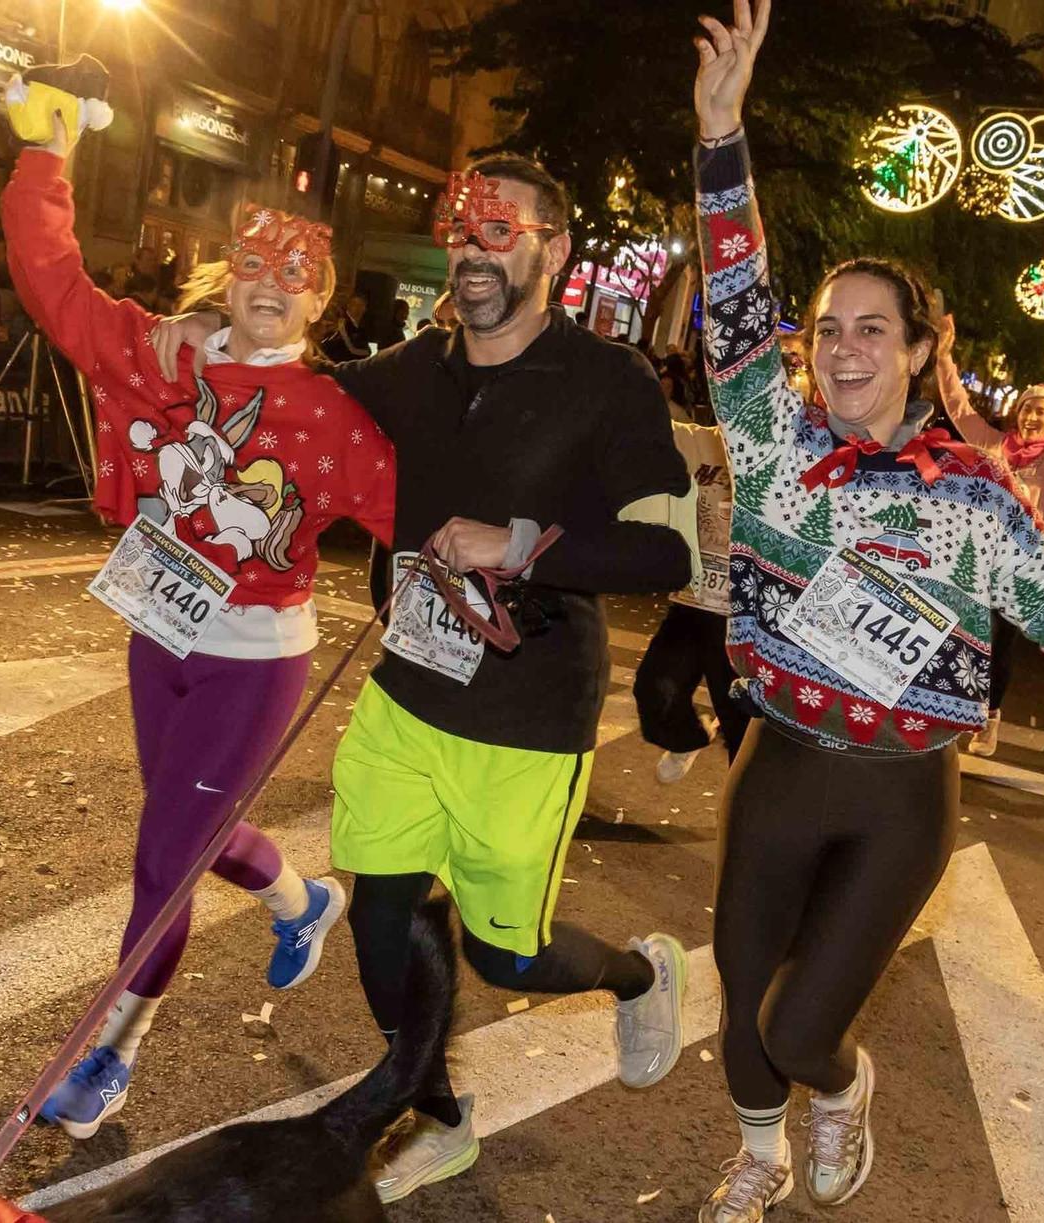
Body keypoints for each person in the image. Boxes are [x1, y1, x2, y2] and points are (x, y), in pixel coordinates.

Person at [688, 4, 1044, 1218]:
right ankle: (755, 1154)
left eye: (870, 331)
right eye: (826, 331)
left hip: (900, 793)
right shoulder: (773, 439)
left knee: (800, 1030)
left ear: (913, 352)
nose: (841, 351)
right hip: (778, 763)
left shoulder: (975, 499)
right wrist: (719, 136)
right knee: (740, 1010)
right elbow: (734, 306)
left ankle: (839, 1089)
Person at [157, 153, 699, 1205]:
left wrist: (523, 542)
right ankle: (439, 1111)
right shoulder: (410, 369)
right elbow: (285, 395)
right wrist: (205, 335)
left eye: (499, 228)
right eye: (459, 227)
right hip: (405, 693)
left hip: (525, 717)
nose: (470, 247)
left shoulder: (608, 385)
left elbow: (666, 553)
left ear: (555, 247)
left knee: (509, 957)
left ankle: (642, 972)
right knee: (377, 932)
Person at [1, 112, 396, 1141]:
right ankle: (302, 898)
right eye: (255, 263)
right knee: (195, 837)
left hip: (252, 663)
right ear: (228, 272)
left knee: (162, 859)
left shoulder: (329, 413)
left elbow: (421, 507)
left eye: (297, 274)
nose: (272, 285)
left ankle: (107, 1054)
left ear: (322, 295)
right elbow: (51, 283)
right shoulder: (160, 355)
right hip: (155, 634)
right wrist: (48, 156)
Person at [936, 327, 1044, 755]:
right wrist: (942, 356)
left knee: (998, 642)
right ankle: (954, 708)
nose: (1033, 417)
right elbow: (958, 406)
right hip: (977, 558)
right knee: (962, 635)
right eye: (1028, 409)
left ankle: (988, 717)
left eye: (1043, 412)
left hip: (1022, 564)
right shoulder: (994, 445)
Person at [633, 417, 749, 782]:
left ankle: (742, 820)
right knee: (654, 691)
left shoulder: (782, 455)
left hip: (743, 618)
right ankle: (688, 739)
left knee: (742, 728)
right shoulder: (695, 441)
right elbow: (637, 413)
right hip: (692, 604)